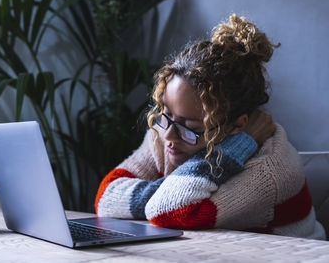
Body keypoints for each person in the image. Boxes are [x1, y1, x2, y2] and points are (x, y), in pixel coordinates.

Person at [94, 14, 326, 240]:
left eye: (191, 127)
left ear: (237, 126)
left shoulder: (270, 168)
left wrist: (240, 145)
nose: (168, 137)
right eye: (166, 114)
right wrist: (162, 188)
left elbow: (169, 209)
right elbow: (105, 197)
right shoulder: (168, 130)